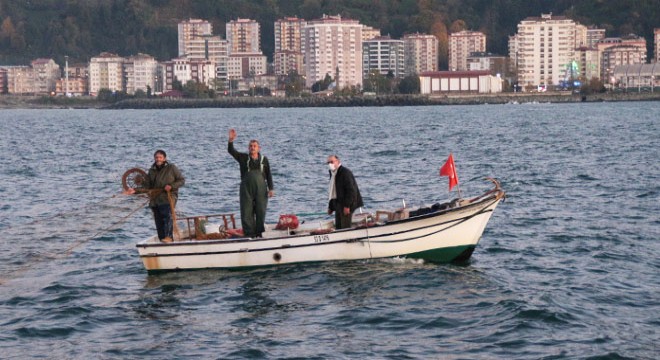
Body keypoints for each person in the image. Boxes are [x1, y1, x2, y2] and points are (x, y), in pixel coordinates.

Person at [127, 150, 185, 243]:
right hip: (155, 200)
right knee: (158, 221)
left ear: (164, 158)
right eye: (156, 157)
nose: (158, 159)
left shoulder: (171, 168)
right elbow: (147, 187)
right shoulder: (152, 170)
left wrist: (171, 186)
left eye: (160, 157)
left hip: (168, 198)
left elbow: (181, 180)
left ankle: (169, 238)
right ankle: (162, 240)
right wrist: (135, 191)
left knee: (167, 217)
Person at [227, 129, 274, 238]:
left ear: (258, 148)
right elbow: (231, 151)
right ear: (249, 148)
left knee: (260, 211)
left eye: (254, 146)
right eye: (251, 146)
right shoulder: (243, 158)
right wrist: (230, 140)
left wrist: (271, 188)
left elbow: (269, 174)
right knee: (246, 211)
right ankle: (249, 234)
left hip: (261, 189)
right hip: (246, 189)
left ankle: (259, 234)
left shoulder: (264, 160)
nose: (252, 148)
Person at [327, 155, 363, 230]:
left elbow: (351, 191)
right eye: (328, 163)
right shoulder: (333, 173)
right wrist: (330, 207)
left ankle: (348, 240)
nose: (330, 164)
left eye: (332, 162)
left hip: (347, 203)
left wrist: (347, 206)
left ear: (338, 161)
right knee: (338, 226)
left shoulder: (345, 173)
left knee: (345, 227)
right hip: (338, 203)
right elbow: (333, 191)